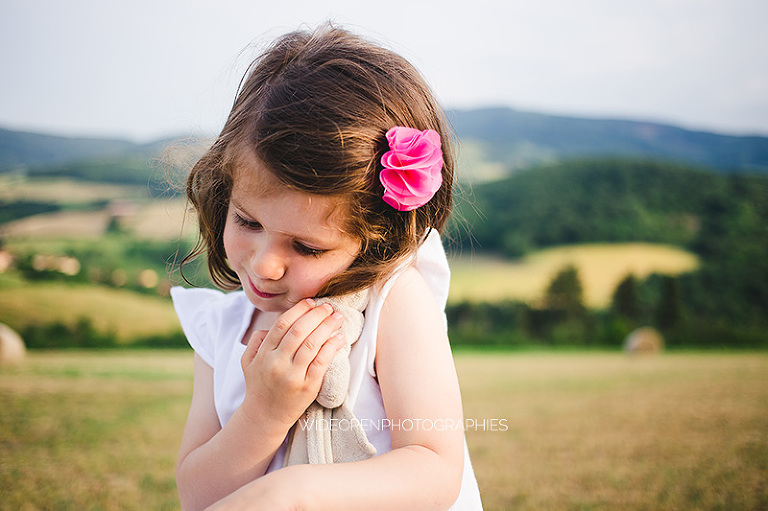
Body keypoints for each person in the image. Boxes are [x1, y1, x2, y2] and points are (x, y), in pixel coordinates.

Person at [171, 24, 483, 510]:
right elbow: (196, 497)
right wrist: (264, 415)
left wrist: (299, 491)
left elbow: (435, 466)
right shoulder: (221, 330)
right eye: (247, 221)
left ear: (374, 240)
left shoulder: (394, 302)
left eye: (307, 248)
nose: (267, 264)